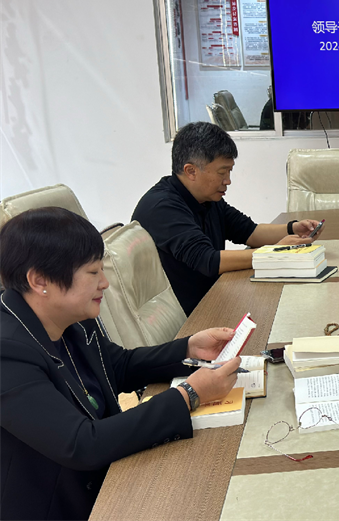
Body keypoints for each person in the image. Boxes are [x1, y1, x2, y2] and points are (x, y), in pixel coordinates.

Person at [0, 207, 242, 520]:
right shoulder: (8, 353)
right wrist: (188, 395)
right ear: (39, 280)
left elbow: (118, 366)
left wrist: (188, 348)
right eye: (92, 273)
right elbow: (81, 444)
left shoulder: (72, 317)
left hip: (114, 476)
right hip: (64, 507)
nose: (105, 283)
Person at [132, 122, 321, 315]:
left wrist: (293, 229)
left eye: (229, 171)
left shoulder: (207, 199)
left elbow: (250, 232)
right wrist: (275, 252)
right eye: (222, 172)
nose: (228, 180)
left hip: (215, 298)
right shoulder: (162, 207)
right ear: (191, 171)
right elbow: (208, 261)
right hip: (190, 316)